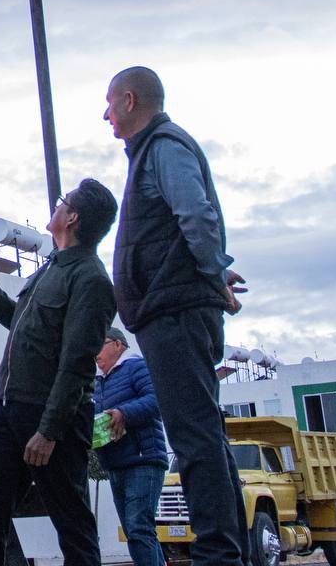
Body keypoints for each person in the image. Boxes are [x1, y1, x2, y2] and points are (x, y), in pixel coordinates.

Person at [104, 66, 249, 566]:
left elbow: (197, 215)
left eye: (109, 103)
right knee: (203, 436)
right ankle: (230, 552)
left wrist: (212, 272)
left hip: (176, 314)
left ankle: (218, 556)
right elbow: (185, 225)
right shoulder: (153, 152)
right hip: (172, 311)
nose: (105, 114)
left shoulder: (164, 147)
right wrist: (213, 271)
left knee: (194, 440)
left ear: (129, 100)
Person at [0, 179, 118, 566]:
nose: (57, 206)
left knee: (73, 524)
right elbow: (20, 326)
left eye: (63, 202)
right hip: (7, 407)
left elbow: (76, 365)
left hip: (51, 419)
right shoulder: (52, 267)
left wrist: (49, 431)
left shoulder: (91, 281)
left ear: (73, 217)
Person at [93, 327, 168, 566]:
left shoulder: (137, 367)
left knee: (138, 528)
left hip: (143, 459)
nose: (95, 353)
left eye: (100, 344)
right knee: (135, 530)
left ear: (118, 344)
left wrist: (123, 413)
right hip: (116, 464)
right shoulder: (99, 381)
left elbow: (157, 400)